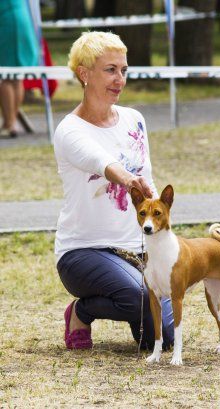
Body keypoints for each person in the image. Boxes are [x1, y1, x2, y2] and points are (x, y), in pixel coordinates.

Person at [54, 31, 174, 351]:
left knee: (162, 338)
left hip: (136, 250)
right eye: (110, 70)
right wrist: (127, 180)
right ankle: (82, 311)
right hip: (83, 252)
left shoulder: (134, 119)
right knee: (139, 297)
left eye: (123, 70)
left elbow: (147, 180)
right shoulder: (69, 130)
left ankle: (139, 310)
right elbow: (101, 161)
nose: (119, 78)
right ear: (84, 73)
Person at [0, 0, 39, 138]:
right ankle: (10, 122)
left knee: (7, 76)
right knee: (16, 77)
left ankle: (9, 123)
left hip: (8, 22)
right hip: (21, 19)